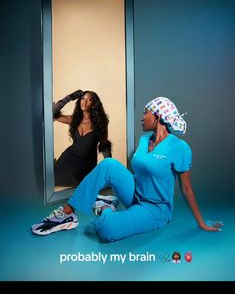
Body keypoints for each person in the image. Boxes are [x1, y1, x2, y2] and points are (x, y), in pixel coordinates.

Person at [32, 96, 223, 240]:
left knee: (107, 229)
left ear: (157, 117)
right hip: (135, 194)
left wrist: (201, 223)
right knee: (109, 164)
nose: (141, 118)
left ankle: (104, 207)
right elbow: (138, 171)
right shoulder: (144, 140)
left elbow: (186, 188)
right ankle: (66, 214)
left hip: (154, 210)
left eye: (145, 113)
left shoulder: (180, 148)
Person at [53, 89, 112, 188]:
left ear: (93, 104)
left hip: (87, 163)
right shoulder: (74, 119)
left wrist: (110, 167)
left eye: (89, 100)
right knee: (52, 179)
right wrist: (69, 98)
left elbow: (104, 145)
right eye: (82, 99)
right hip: (68, 158)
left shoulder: (101, 122)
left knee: (80, 184)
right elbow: (51, 113)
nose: (84, 102)